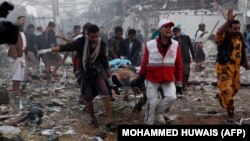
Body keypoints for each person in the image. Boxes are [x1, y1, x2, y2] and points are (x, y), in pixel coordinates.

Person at [38, 24, 116, 130]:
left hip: (97, 72)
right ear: (87, 34)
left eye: (96, 36)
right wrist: (50, 50)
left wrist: (108, 74)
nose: (94, 39)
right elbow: (66, 47)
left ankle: (109, 120)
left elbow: (103, 59)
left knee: (106, 94)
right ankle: (93, 119)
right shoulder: (81, 42)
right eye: (92, 37)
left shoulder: (100, 43)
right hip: (84, 72)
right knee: (87, 97)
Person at [133, 19, 183, 125]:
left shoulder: (175, 44)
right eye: (166, 27)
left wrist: (179, 83)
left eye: (170, 27)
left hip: (168, 78)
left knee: (172, 97)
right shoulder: (150, 44)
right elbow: (145, 62)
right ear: (160, 30)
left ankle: (153, 112)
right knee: (152, 102)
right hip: (152, 79)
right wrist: (141, 77)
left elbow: (179, 64)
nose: (169, 29)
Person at [215, 9, 250, 122]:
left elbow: (243, 48)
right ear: (229, 28)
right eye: (234, 29)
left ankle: (222, 97)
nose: (237, 30)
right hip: (224, 69)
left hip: (235, 69)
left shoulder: (239, 36)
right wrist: (227, 21)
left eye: (238, 28)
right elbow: (219, 33)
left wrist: (246, 61)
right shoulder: (224, 36)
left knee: (235, 89)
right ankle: (231, 114)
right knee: (228, 93)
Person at [6, 16, 26, 93]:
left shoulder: (21, 30)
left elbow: (22, 42)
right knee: (16, 73)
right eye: (22, 20)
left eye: (24, 21)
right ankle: (15, 89)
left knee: (20, 72)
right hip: (15, 55)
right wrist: (15, 54)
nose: (23, 22)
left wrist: (24, 50)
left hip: (21, 54)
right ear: (17, 20)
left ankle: (16, 88)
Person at [173, 27, 196, 91]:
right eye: (175, 34)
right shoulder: (173, 40)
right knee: (182, 73)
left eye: (178, 33)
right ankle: (183, 86)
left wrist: (194, 56)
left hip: (186, 57)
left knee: (187, 72)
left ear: (180, 32)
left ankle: (185, 83)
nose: (177, 34)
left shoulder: (186, 37)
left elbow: (191, 47)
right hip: (178, 58)